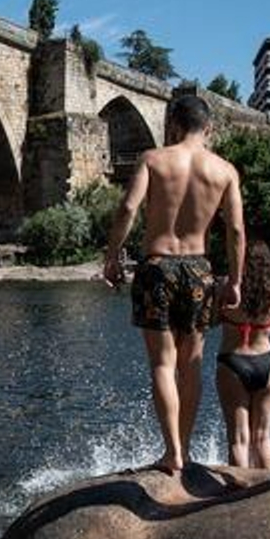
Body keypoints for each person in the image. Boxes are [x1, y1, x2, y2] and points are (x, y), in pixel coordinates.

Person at [104, 94, 244, 473]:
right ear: (208, 128)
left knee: (163, 365)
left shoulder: (153, 159)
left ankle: (173, 454)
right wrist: (235, 280)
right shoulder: (225, 170)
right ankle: (185, 448)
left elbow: (128, 208)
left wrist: (112, 257)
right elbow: (234, 229)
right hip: (199, 269)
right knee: (192, 364)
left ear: (173, 126)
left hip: (157, 267)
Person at [215, 241, 270, 470]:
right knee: (263, 437)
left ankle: (238, 490)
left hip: (233, 363)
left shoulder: (227, 286)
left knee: (238, 438)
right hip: (267, 362)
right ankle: (265, 491)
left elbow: (212, 319)